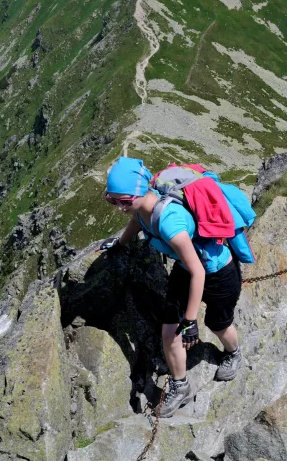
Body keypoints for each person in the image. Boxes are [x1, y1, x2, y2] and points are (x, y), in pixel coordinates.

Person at [101, 157, 243, 418]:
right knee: (169, 329)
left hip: (217, 272)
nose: (120, 207)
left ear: (140, 192)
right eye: (112, 201)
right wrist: (119, 243)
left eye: (123, 201)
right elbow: (138, 223)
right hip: (186, 269)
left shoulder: (169, 222)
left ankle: (234, 353)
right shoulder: (144, 207)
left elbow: (199, 272)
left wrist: (191, 320)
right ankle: (180, 385)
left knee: (218, 323)